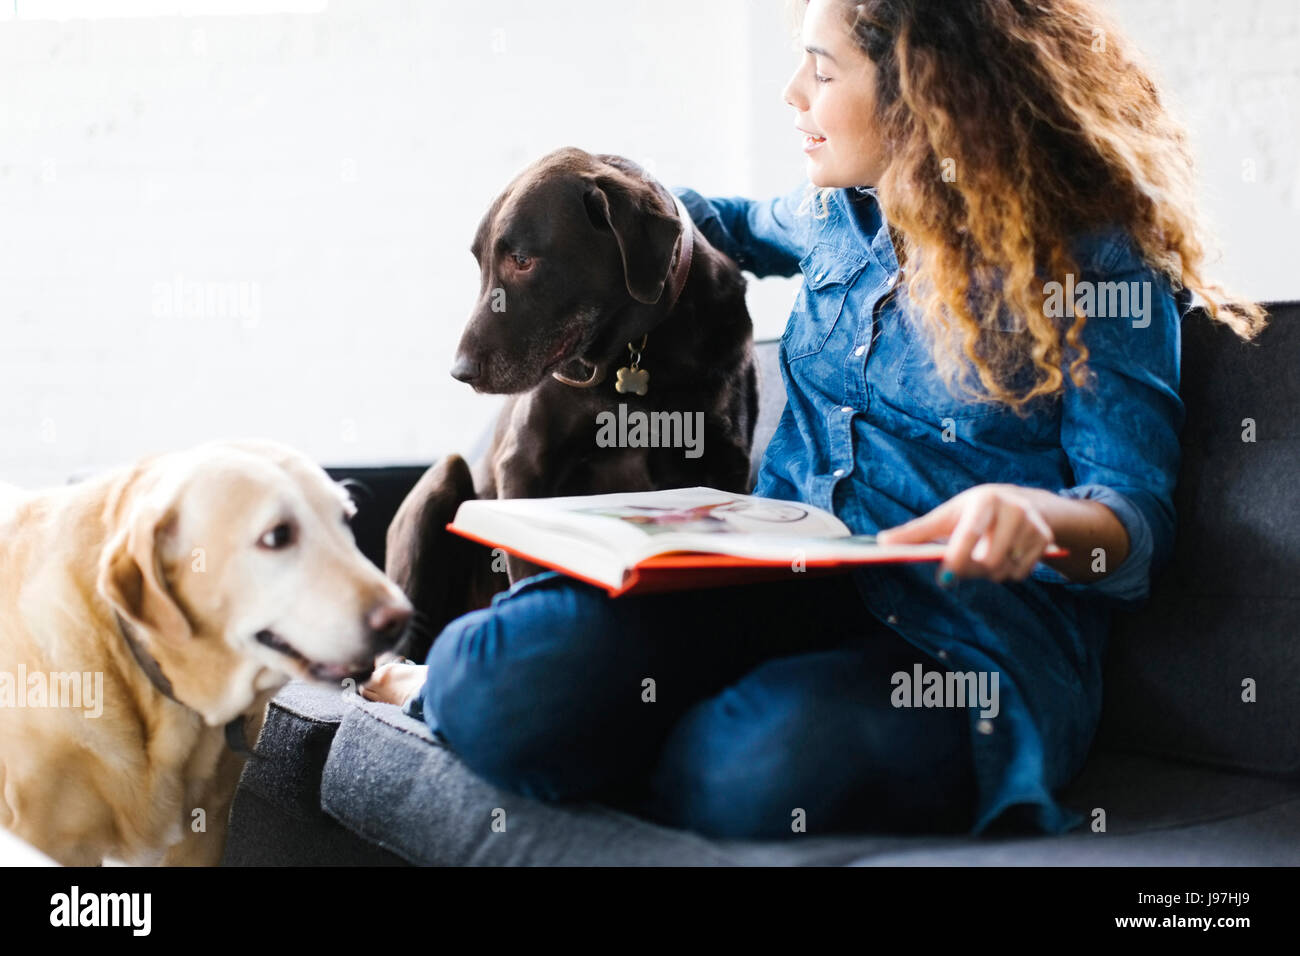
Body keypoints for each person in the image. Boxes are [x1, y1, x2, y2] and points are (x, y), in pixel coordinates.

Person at [362, 0, 1265, 839]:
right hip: (774, 585)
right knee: (494, 679)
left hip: (960, 648)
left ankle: (625, 748)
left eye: (822, 71)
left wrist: (1041, 520)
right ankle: (537, 718)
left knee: (749, 764)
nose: (794, 93)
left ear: (925, 91)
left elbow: (1133, 529)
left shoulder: (1097, 262)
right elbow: (704, 221)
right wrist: (570, 216)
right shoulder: (833, 213)